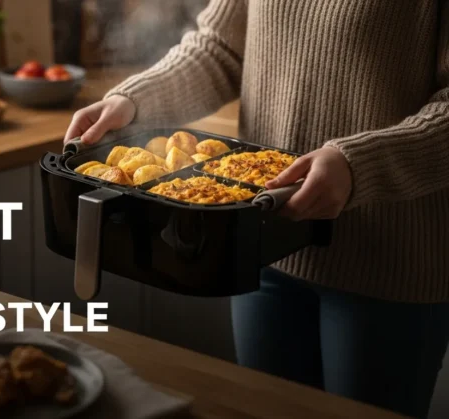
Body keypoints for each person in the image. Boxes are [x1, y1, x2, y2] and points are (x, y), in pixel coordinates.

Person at [64, 1, 449, 418]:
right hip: (262, 245)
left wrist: (361, 164)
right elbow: (220, 50)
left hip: (389, 267)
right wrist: (135, 101)